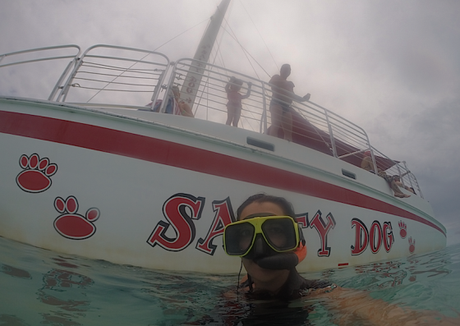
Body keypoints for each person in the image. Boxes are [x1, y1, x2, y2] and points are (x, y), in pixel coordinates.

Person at [221, 193, 458, 325]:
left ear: (297, 241)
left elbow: (395, 318)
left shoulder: (322, 294)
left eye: (276, 230)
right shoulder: (233, 295)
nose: (260, 247)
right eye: (244, 233)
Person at [268, 64, 310, 141]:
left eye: (289, 69)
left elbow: (293, 96)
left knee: (288, 132)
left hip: (286, 106)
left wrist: (303, 99)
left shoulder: (290, 84)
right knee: (275, 126)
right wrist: (285, 83)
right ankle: (272, 142)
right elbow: (271, 83)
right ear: (281, 70)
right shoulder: (277, 77)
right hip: (277, 102)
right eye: (286, 69)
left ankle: (287, 148)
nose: (288, 71)